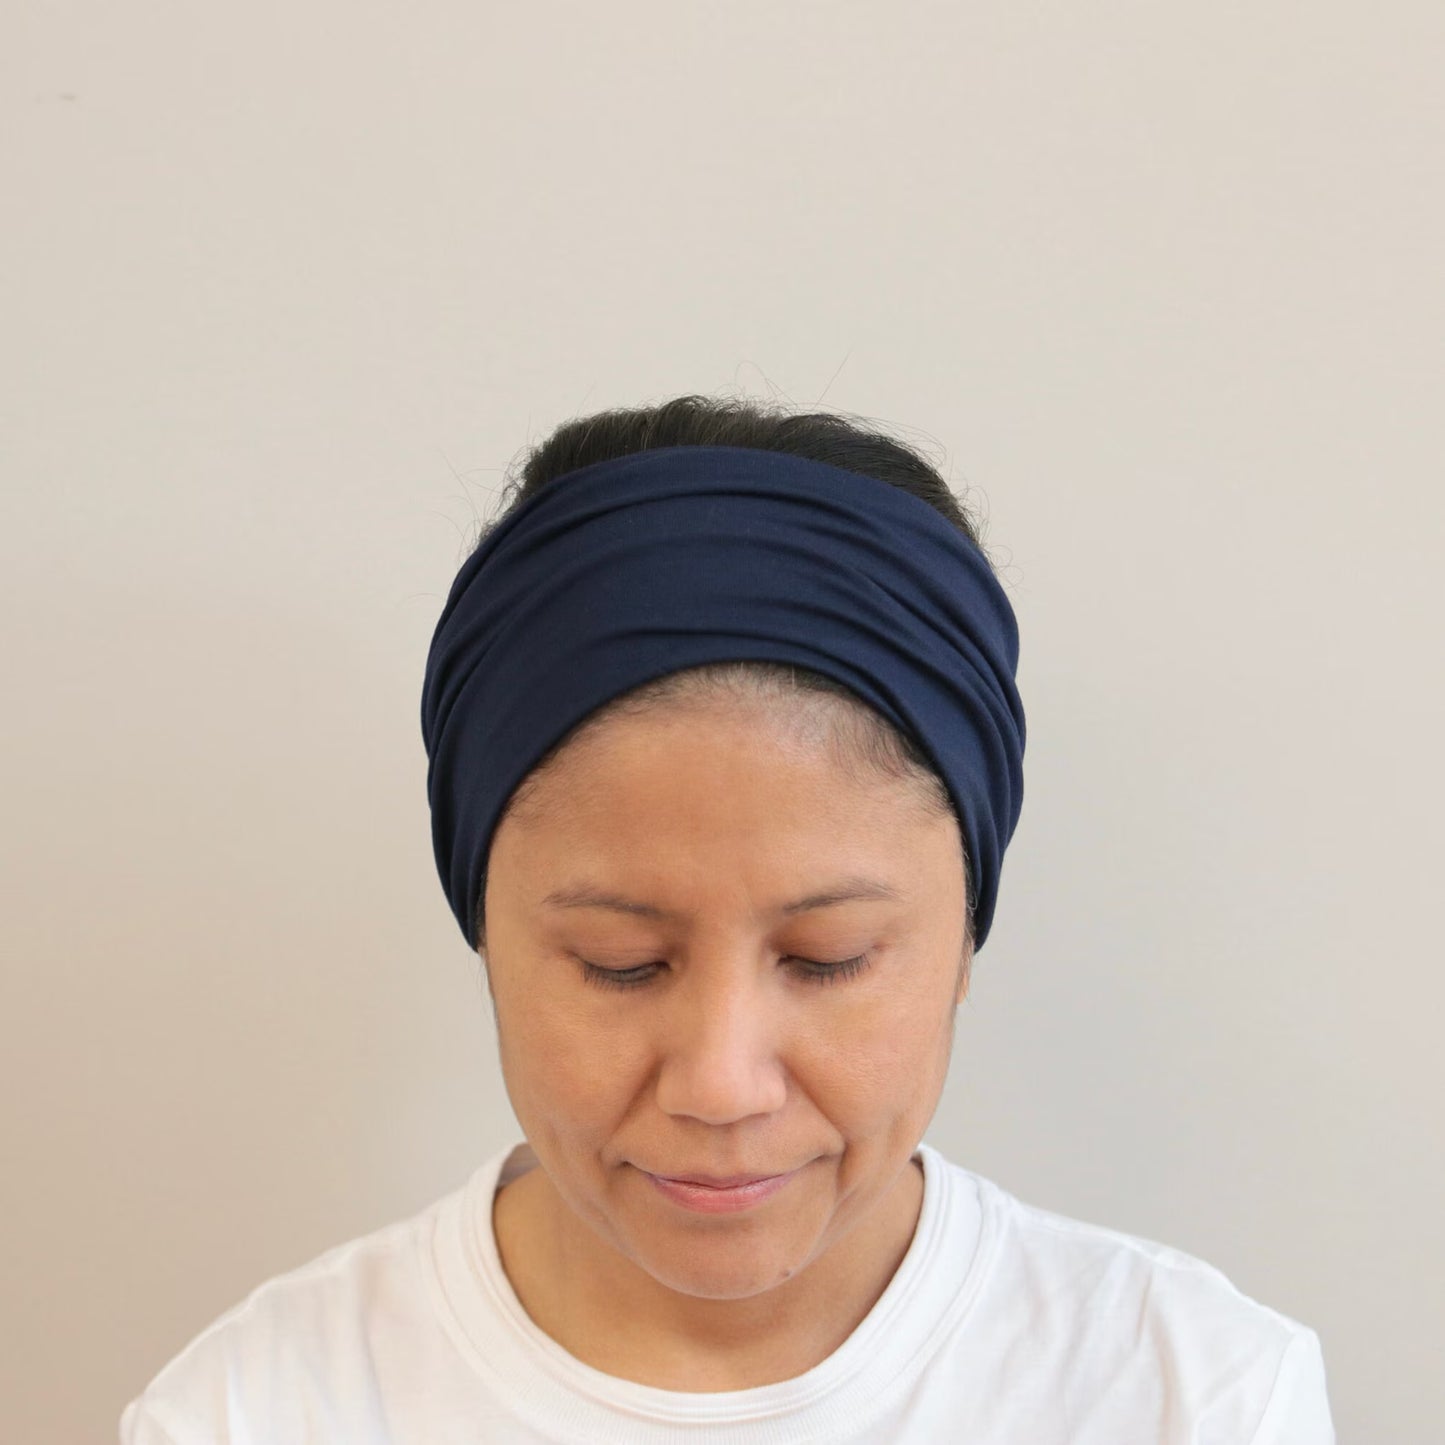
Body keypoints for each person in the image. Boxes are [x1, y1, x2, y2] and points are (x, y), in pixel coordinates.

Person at [120, 395, 1335, 1442]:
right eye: (620, 962)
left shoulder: (1189, 1391)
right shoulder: (258, 1408)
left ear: (965, 930)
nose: (720, 1084)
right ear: (484, 927)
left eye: (828, 957)